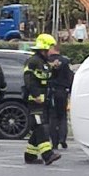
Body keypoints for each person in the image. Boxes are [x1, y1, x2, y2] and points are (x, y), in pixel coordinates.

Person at [23, 34, 61, 166]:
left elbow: (48, 78)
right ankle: (48, 155)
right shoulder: (33, 61)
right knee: (41, 127)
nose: (52, 50)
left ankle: (30, 156)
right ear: (44, 48)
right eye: (51, 47)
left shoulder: (44, 62)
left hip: (44, 101)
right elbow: (28, 80)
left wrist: (54, 69)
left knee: (39, 127)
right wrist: (35, 95)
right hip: (35, 101)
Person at [48, 43, 74, 150]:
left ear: (53, 49)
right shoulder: (65, 61)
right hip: (63, 92)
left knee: (53, 117)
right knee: (63, 116)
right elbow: (70, 77)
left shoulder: (48, 61)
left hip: (52, 92)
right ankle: (62, 138)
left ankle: (54, 142)